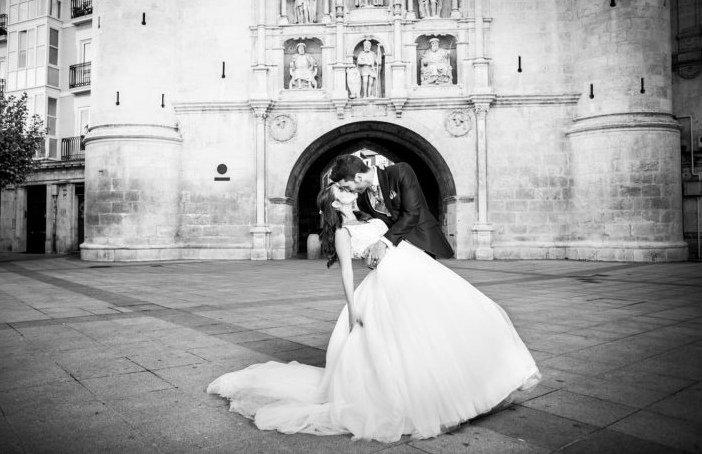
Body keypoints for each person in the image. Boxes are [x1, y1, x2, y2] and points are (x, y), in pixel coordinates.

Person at [207, 182, 541, 442]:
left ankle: (473, 384)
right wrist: (352, 309)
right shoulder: (342, 232)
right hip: (388, 286)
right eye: (341, 189)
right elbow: (347, 272)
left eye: (347, 187)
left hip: (417, 273)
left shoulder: (373, 217)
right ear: (336, 202)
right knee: (403, 345)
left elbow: (399, 232)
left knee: (449, 324)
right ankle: (424, 399)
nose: (348, 190)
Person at [332, 154, 452, 266]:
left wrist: (383, 243)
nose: (350, 191)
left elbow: (412, 213)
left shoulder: (400, 172)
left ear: (358, 177)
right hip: (395, 254)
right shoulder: (362, 200)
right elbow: (379, 226)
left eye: (347, 187)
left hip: (422, 242)